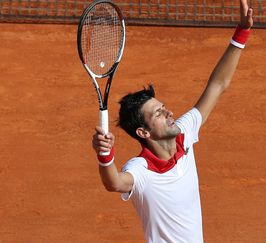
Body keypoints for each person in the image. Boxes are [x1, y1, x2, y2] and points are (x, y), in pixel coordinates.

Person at [91, 0, 253, 241]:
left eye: (163, 108)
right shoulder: (141, 170)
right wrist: (105, 157)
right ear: (143, 132)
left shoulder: (184, 134)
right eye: (158, 114)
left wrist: (242, 32)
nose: (168, 113)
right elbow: (115, 183)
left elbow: (218, 86)